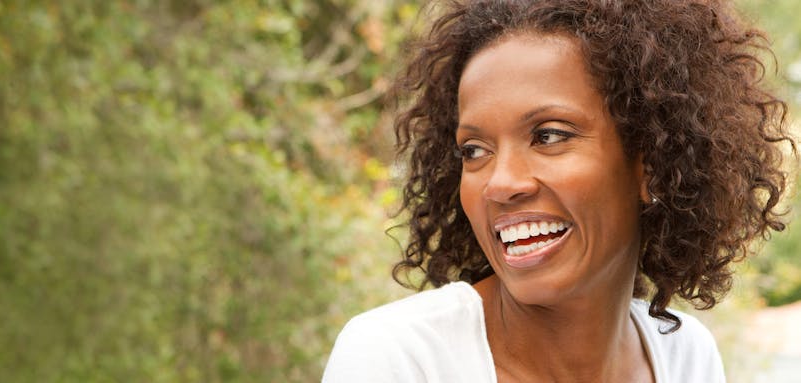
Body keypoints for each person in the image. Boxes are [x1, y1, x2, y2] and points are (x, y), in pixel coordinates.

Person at [323, 0, 794, 382]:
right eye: (474, 150)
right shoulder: (399, 359)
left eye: (549, 135)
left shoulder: (686, 357)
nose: (501, 184)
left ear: (651, 162)